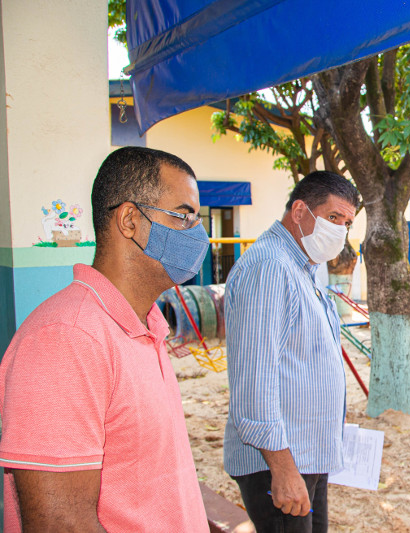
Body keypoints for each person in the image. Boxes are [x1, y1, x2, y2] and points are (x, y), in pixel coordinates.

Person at [0, 146, 210, 531]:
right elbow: (59, 523)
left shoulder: (144, 326)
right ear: (129, 220)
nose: (198, 235)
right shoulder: (65, 340)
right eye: (183, 216)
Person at [224, 170, 359, 533]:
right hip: (280, 462)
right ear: (300, 211)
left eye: (347, 222)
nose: (340, 230)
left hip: (306, 454)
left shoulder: (305, 267)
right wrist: (283, 469)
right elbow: (254, 380)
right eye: (333, 217)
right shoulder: (270, 267)